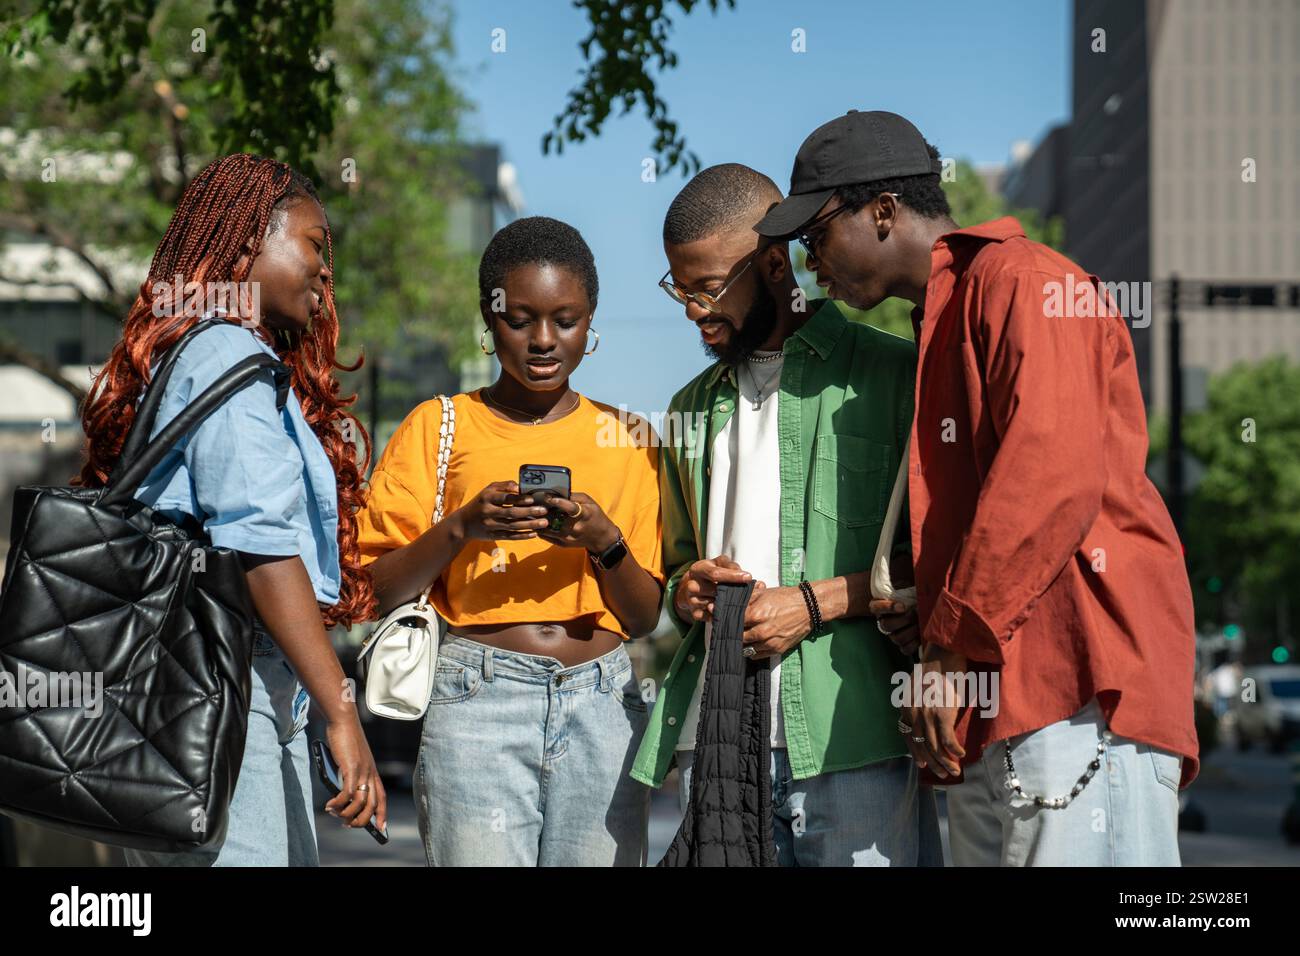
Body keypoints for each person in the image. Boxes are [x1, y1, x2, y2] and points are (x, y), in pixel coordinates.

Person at [756, 110, 1198, 866]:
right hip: (1013, 701)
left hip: (1085, 686)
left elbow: (1049, 478)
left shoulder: (1023, 281)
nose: (810, 264)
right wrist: (933, 619)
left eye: (816, 235)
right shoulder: (946, 315)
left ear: (883, 211)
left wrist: (949, 651)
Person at [77, 153, 387, 866]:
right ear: (248, 242)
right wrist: (342, 711)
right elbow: (259, 546)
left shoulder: (197, 349)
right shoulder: (222, 355)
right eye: (314, 245)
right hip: (222, 691)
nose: (326, 273)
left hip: (190, 689)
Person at [632, 163, 941, 866]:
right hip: (715, 738)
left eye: (707, 288)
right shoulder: (686, 409)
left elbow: (943, 559)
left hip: (852, 737)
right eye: (677, 289)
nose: (690, 310)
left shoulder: (895, 375)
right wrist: (688, 589)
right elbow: (677, 564)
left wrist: (817, 602)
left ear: (776, 263)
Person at [358, 216, 664, 867]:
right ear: (489, 320)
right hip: (476, 703)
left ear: (591, 321)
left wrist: (604, 540)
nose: (544, 340)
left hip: (604, 704)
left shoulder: (631, 437)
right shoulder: (436, 426)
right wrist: (462, 527)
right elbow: (377, 589)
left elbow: (642, 617)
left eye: (566, 319)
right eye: (520, 320)